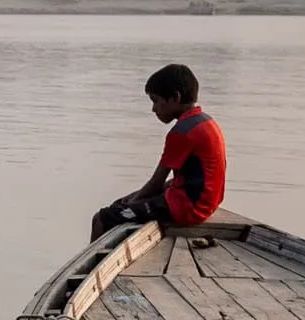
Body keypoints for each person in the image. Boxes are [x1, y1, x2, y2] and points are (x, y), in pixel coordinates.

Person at [90, 63, 226, 240]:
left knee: (102, 218)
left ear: (175, 98)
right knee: (123, 204)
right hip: (208, 202)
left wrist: (133, 202)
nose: (154, 109)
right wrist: (133, 199)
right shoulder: (206, 122)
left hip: (188, 209)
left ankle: (91, 268)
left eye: (156, 101)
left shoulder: (182, 132)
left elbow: (156, 182)